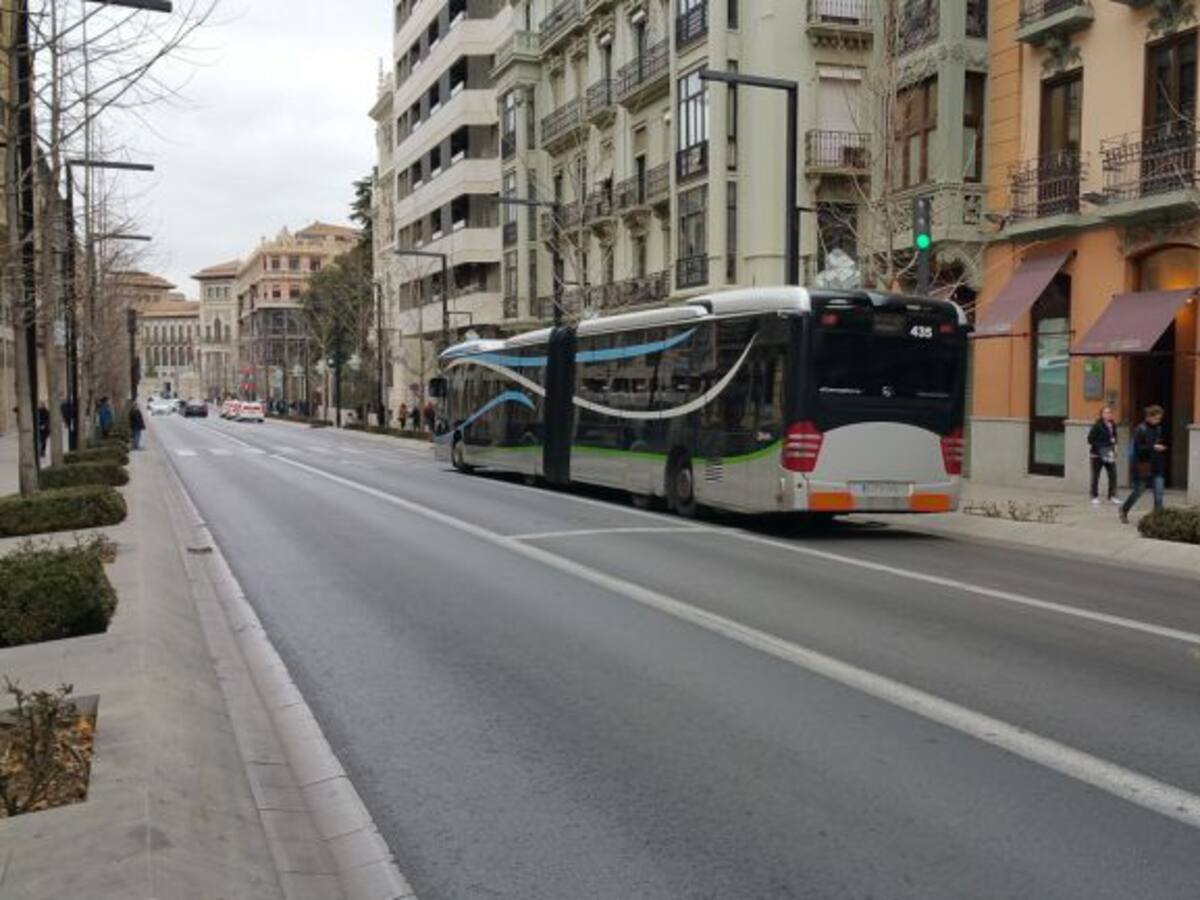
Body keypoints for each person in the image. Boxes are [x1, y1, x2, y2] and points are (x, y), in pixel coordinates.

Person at [1119, 404, 1167, 523]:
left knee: (1159, 493)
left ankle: (1158, 519)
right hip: (1143, 464)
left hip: (1157, 465)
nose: (1158, 420)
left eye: (1160, 418)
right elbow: (1138, 449)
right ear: (1149, 417)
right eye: (1157, 418)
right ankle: (1124, 509)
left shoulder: (1158, 429)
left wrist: (1159, 448)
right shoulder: (1140, 429)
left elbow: (1159, 443)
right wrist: (1153, 447)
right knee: (1139, 490)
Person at [1087, 406, 1120, 506]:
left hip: (1108, 452)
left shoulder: (1112, 424)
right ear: (1102, 415)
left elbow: (1114, 438)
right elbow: (1090, 439)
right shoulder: (1097, 425)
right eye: (1106, 413)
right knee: (1095, 476)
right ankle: (1094, 496)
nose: (1108, 414)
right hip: (1097, 454)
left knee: (1113, 474)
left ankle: (1112, 496)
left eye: (1109, 412)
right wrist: (1102, 446)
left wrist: (1115, 447)